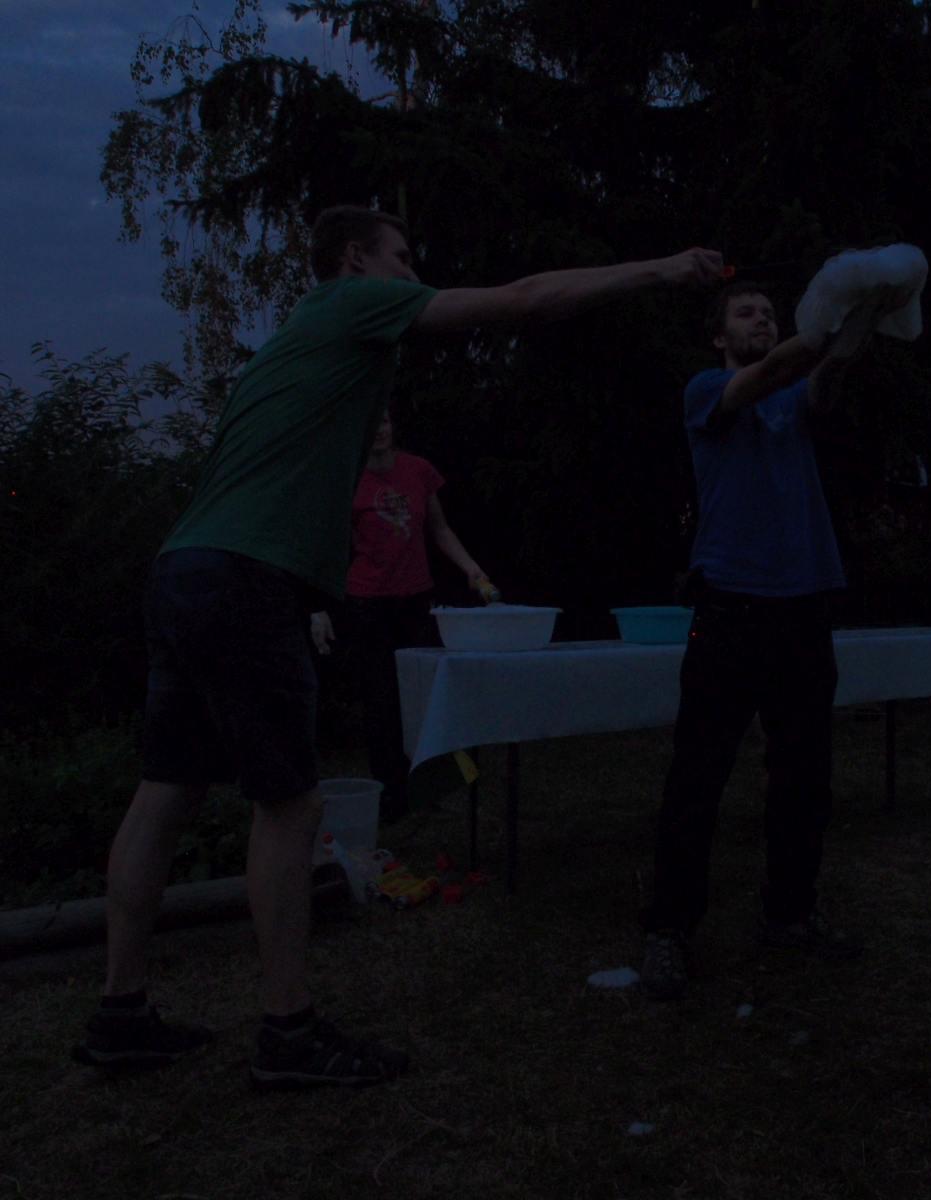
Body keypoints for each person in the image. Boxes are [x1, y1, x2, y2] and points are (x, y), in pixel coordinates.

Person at [74, 204, 723, 1086]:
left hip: (184, 568)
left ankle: (119, 1014)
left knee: (167, 790)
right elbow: (525, 299)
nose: (415, 276)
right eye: (404, 258)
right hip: (245, 576)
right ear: (354, 259)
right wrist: (660, 269)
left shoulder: (297, 340)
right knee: (290, 806)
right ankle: (289, 1032)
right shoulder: (350, 303)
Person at [637, 280, 906, 1000]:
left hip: (805, 607)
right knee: (699, 776)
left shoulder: (795, 399)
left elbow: (825, 375)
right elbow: (779, 368)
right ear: (718, 336)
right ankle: (669, 930)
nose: (762, 319)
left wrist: (863, 315)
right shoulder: (707, 391)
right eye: (747, 312)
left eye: (770, 312)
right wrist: (822, 324)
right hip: (730, 608)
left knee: (804, 777)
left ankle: (788, 913)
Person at [309, 409, 488, 822]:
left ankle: (432, 786)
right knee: (381, 699)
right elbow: (330, 543)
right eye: (371, 423)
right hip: (368, 602)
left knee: (424, 694)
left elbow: (440, 529)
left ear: (393, 427)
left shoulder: (418, 470)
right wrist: (317, 604)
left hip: (416, 598)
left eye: (385, 422)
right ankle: (391, 796)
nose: (379, 430)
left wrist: (471, 568)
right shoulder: (349, 478)